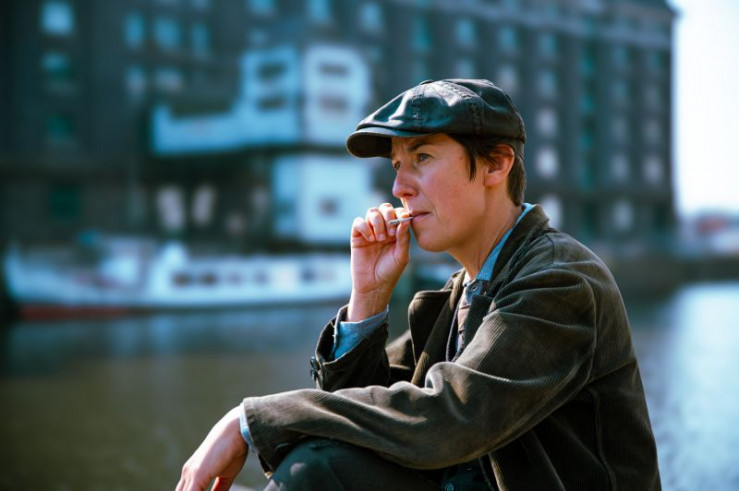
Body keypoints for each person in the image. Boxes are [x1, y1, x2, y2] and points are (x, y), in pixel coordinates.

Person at [176, 79, 661, 491]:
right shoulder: (462, 293)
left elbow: (449, 420)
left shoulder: (558, 279)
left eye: (422, 156)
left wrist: (250, 421)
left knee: (315, 469)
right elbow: (369, 425)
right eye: (396, 165)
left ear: (496, 164)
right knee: (320, 459)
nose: (399, 187)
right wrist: (368, 298)